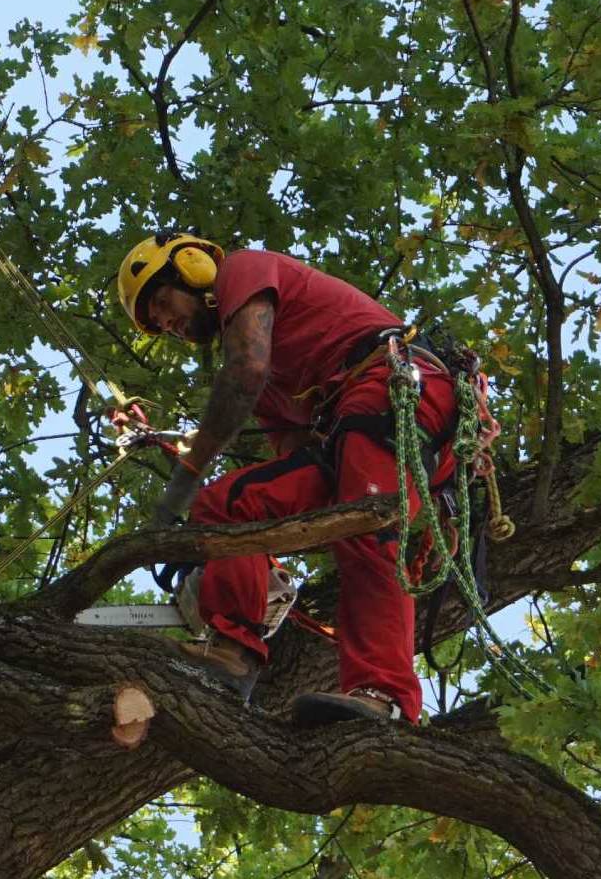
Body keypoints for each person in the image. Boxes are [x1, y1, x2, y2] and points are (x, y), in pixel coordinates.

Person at [117, 231, 457, 724]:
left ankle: (385, 698)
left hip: (392, 392)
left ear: (192, 267)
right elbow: (298, 477)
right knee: (227, 506)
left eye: (164, 302)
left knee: (361, 531)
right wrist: (235, 564)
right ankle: (232, 651)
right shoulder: (279, 387)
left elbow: (243, 371)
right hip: (350, 433)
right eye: (160, 325)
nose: (169, 323)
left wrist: (185, 476)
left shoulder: (243, 269)